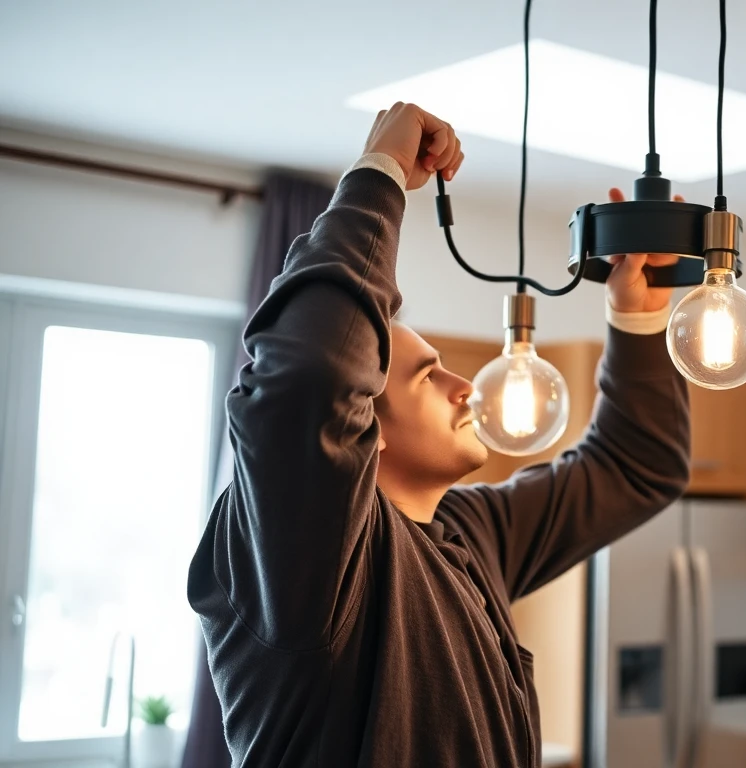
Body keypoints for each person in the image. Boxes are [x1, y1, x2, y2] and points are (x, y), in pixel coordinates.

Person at [187, 102, 691, 767]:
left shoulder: (467, 533)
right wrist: (381, 171)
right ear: (362, 421)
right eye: (429, 376)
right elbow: (310, 372)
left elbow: (634, 465)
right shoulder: (296, 554)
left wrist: (637, 310)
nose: (466, 388)